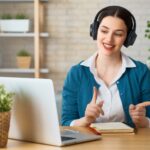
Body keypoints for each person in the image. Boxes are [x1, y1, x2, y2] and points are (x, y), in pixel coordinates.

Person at [61, 5, 150, 128]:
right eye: (104, 31)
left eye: (118, 34)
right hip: (88, 146)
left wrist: (142, 121)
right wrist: (86, 120)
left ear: (128, 39)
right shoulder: (76, 73)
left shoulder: (141, 72)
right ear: (95, 31)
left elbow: (148, 120)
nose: (109, 39)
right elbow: (66, 122)